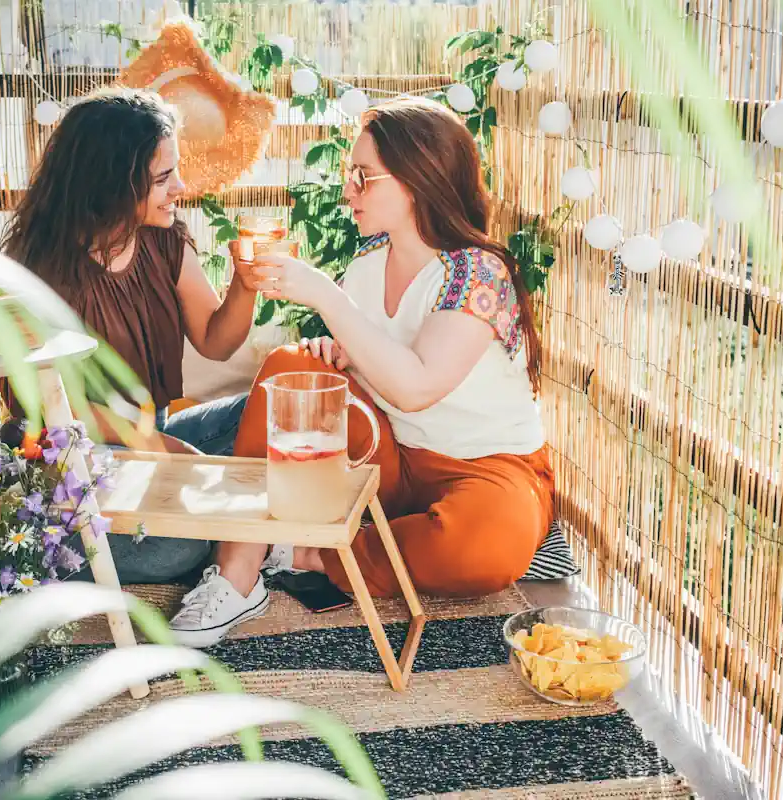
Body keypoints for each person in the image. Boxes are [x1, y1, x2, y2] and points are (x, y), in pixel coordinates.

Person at [168, 96, 554, 647]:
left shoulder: (477, 272)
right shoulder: (369, 263)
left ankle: (307, 553)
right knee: (289, 367)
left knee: (482, 548)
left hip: (488, 469)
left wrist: (324, 296)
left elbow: (417, 387)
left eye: (362, 176)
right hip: (393, 455)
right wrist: (341, 357)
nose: (348, 189)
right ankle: (240, 570)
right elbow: (382, 368)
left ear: (417, 180)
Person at [0, 87, 254, 584]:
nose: (180, 186)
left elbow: (216, 341)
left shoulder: (165, 241)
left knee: (262, 410)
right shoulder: (41, 270)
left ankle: (224, 531)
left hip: (150, 437)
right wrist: (163, 449)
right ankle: (54, 548)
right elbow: (54, 412)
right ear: (112, 183)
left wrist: (245, 282)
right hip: (75, 458)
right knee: (174, 550)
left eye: (175, 170)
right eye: (162, 178)